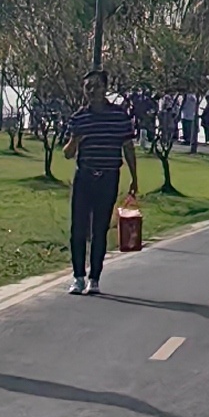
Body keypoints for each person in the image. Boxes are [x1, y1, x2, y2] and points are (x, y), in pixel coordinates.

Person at [64, 75, 140, 292]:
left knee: (100, 229)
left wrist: (135, 178)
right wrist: (75, 139)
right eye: (88, 87)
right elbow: (68, 154)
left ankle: (94, 278)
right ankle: (78, 276)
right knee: (78, 229)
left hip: (108, 177)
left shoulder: (119, 116)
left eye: (96, 86)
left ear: (106, 88)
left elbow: (128, 147)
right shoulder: (80, 117)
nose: (91, 90)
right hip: (84, 176)